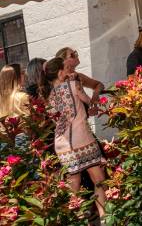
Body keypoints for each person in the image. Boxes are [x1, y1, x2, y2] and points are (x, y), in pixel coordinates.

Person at [43, 57, 107, 216]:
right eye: (65, 68)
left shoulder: (48, 97)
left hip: (62, 145)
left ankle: (77, 220)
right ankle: (105, 218)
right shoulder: (73, 85)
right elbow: (89, 103)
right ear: (59, 73)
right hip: (83, 138)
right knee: (98, 180)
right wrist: (94, 107)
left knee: (74, 188)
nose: (68, 70)